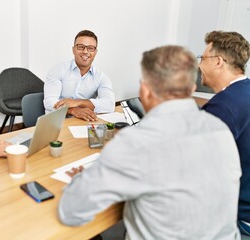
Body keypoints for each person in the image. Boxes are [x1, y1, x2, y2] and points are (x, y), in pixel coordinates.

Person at [58, 45, 241, 240]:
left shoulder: (134, 144)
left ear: (144, 90)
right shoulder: (220, 129)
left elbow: (71, 212)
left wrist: (81, 180)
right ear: (193, 88)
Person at [199, 30, 250, 235]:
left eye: (202, 58)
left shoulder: (223, 107)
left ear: (218, 61)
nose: (199, 65)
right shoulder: (243, 92)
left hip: (237, 218)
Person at [43, 30, 115, 122]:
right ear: (73, 50)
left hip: (82, 122)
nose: (85, 51)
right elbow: (49, 102)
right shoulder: (58, 70)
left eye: (90, 48)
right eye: (81, 47)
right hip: (56, 122)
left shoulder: (101, 76)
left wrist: (78, 102)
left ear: (95, 52)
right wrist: (74, 110)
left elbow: (109, 105)